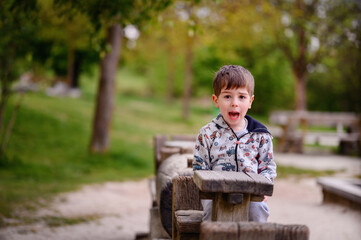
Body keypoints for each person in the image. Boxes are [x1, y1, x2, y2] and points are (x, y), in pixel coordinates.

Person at [193, 64, 277, 222]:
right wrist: (207, 190)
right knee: (211, 213)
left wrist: (264, 187)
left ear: (250, 101)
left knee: (258, 209)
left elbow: (267, 166)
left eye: (241, 97)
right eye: (227, 96)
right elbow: (200, 167)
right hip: (215, 193)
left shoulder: (260, 135)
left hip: (251, 193)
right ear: (215, 100)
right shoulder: (208, 134)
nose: (234, 103)